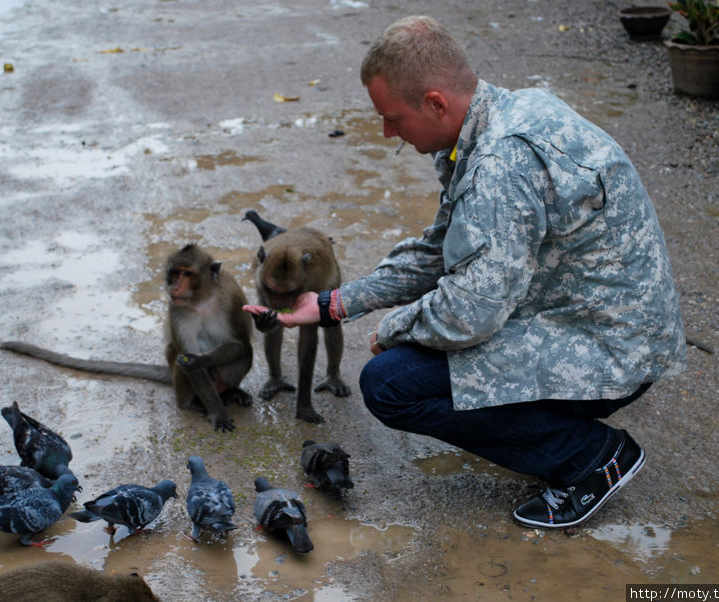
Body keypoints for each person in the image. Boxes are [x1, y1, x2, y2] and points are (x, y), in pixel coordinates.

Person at [243, 15, 686, 529]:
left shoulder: (500, 165)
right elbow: (439, 253)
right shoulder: (497, 118)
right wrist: (332, 304)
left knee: (391, 383)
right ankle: (551, 429)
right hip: (596, 325)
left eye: (392, 118)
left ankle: (590, 458)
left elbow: (467, 315)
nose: (388, 132)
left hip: (610, 350)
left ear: (435, 103)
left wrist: (393, 328)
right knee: (423, 359)